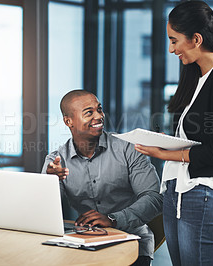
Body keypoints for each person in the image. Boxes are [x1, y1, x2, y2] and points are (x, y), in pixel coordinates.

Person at [134, 1, 213, 265]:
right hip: (177, 189)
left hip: (203, 193)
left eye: (174, 41)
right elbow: (194, 138)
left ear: (196, 39)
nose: (171, 49)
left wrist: (164, 153)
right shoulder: (195, 76)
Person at [42, 90, 163, 266]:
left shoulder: (127, 149)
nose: (99, 116)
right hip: (83, 242)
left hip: (131, 241)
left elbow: (154, 197)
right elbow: (45, 213)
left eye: (99, 109)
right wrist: (50, 183)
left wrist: (114, 219)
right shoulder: (56, 161)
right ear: (68, 121)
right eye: (89, 112)